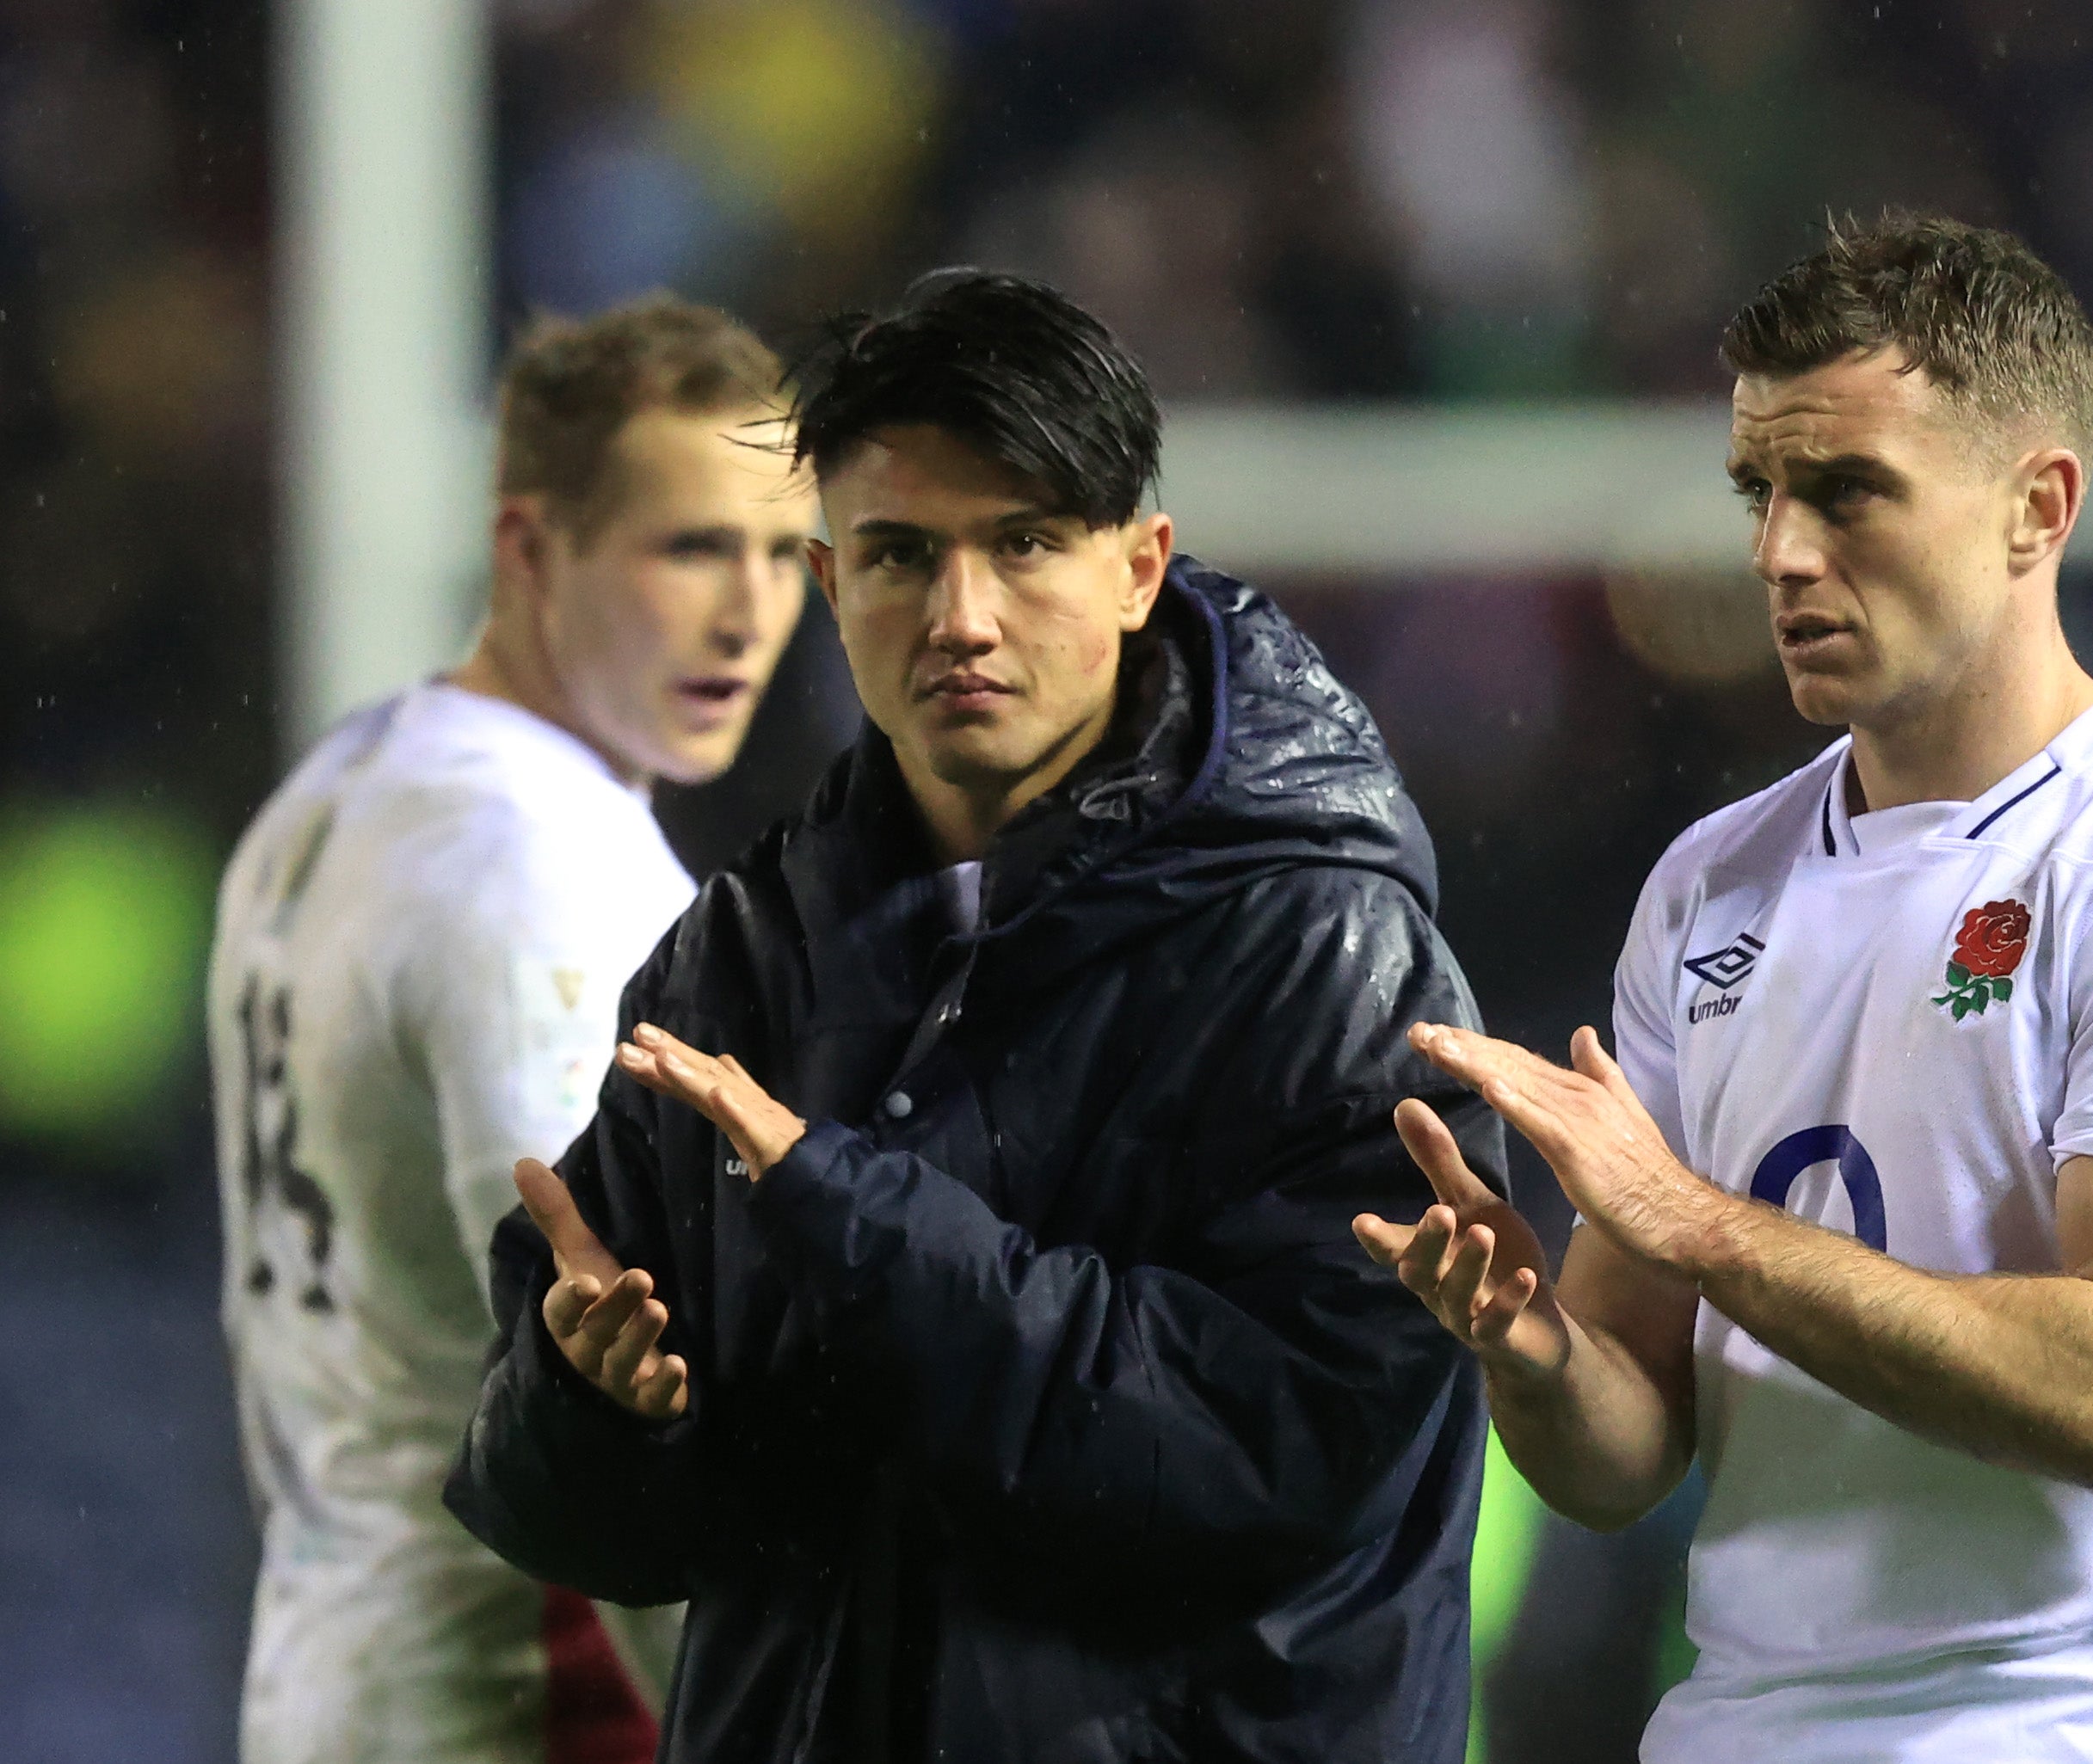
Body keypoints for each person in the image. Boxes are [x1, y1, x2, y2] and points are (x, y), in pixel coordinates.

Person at [444, 271, 1503, 1763]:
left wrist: (845, 1211)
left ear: (1140, 568)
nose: (960, 617)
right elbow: (606, 1529)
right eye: (897, 556)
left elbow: (1263, 1465)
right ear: (829, 588)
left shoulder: (1326, 957)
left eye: (1022, 545)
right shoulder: (739, 956)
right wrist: (589, 1399)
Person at [1357, 214, 2093, 1763]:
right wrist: (1530, 1348)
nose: (1778, 550)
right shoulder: (1711, 882)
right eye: (1758, 492)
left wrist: (1699, 1224)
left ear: (2038, 507)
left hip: (2058, 1727)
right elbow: (1627, 1451)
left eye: (1845, 492)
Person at [211, 295, 818, 1764]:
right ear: (531, 550)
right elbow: (618, 1387)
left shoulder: (340, 790)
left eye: (785, 553)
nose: (749, 614)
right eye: (690, 548)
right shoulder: (541, 876)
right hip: (523, 1706)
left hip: (333, 1672)